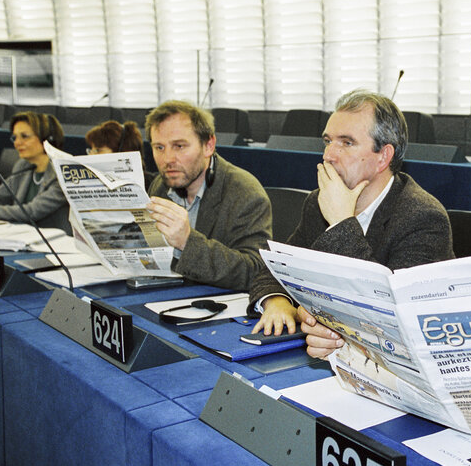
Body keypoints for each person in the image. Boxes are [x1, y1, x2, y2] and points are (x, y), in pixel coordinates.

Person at [249, 89, 454, 355]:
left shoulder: (423, 218)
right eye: (328, 141)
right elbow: (275, 267)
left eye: (346, 143)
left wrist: (341, 223)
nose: (328, 155)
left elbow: (389, 320)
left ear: (383, 156)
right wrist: (276, 301)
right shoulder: (318, 202)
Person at [145, 100, 271, 290]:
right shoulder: (161, 186)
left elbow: (255, 271)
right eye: (159, 148)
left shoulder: (245, 193)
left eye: (179, 146)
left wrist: (187, 242)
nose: (167, 159)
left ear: (208, 146)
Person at [0, 111, 70, 232]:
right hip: (24, 238)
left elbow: (31, 211)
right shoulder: (23, 166)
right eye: (15, 137)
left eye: (24, 136)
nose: (17, 142)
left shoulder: (65, 171)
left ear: (48, 138)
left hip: (57, 244)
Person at [85, 119, 156, 188]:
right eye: (90, 151)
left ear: (121, 153)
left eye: (98, 150)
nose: (91, 155)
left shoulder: (154, 187)